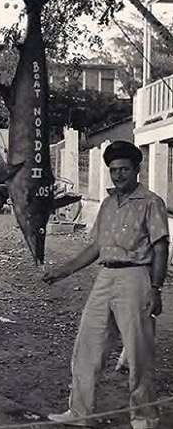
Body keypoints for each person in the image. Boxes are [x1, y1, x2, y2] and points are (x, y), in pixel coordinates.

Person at [44, 141, 168, 429]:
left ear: (137, 170)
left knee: (139, 352)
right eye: (113, 170)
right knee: (88, 344)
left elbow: (161, 248)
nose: (118, 175)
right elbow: (95, 248)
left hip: (137, 277)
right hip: (105, 277)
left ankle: (145, 417)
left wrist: (156, 288)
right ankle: (80, 412)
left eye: (124, 169)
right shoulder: (108, 203)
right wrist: (62, 271)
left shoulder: (151, 202)